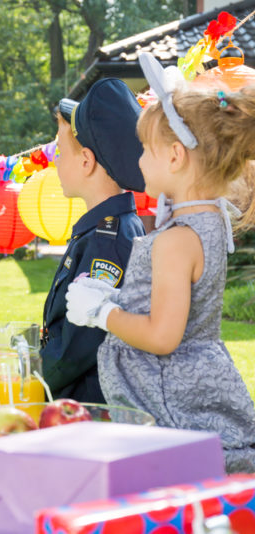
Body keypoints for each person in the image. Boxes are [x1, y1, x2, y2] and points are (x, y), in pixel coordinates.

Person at [66, 52, 255, 473]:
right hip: (193, 383)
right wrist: (117, 297)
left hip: (171, 397)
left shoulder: (177, 240)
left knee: (173, 484)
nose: (138, 162)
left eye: (145, 150)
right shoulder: (210, 220)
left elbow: (164, 336)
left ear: (174, 157)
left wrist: (103, 312)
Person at [41, 78, 147, 403]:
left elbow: (77, 347)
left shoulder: (108, 242)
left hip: (87, 410)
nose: (55, 160)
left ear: (86, 161)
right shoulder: (104, 230)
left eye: (60, 152)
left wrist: (28, 377)